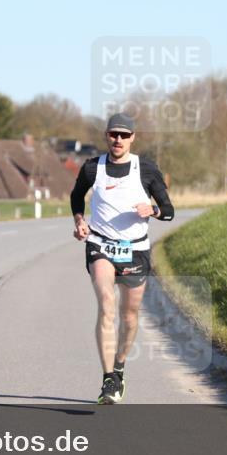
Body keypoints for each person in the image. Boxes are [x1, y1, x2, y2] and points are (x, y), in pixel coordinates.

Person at [71, 113, 175, 404]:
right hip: (100, 244)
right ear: (106, 135)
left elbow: (169, 211)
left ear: (133, 138)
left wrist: (153, 210)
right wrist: (79, 220)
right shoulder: (93, 168)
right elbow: (76, 196)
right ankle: (108, 380)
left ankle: (118, 368)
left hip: (135, 250)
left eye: (124, 135)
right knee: (107, 304)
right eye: (113, 134)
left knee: (129, 316)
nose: (118, 139)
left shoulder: (146, 169)